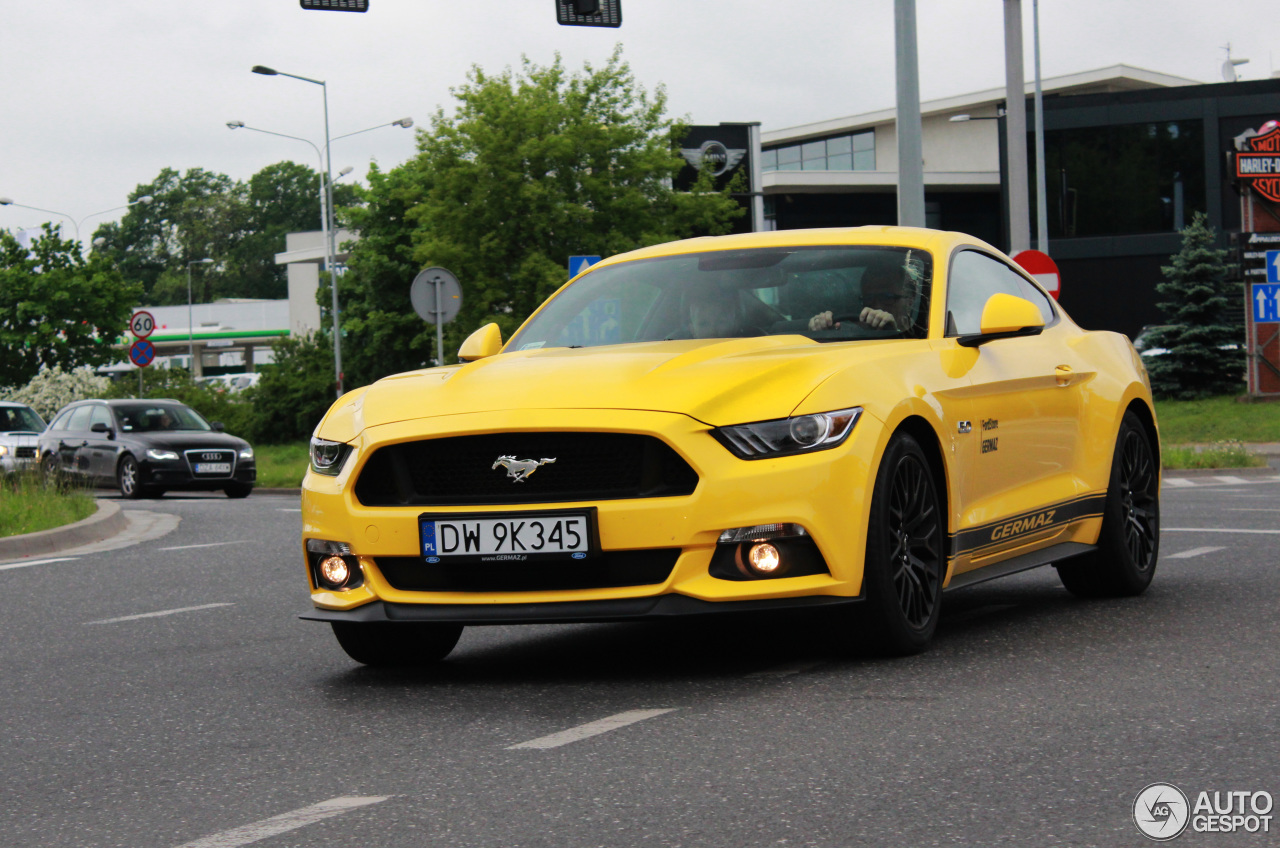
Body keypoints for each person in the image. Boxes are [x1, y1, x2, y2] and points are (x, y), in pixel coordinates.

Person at [808, 261, 915, 333]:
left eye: (887, 297)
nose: (876, 306)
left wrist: (893, 332)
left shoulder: (925, 335)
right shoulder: (850, 332)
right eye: (869, 298)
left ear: (909, 301)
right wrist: (820, 328)